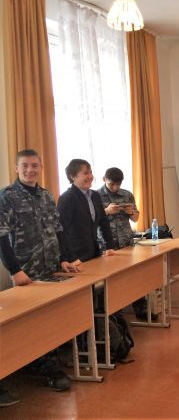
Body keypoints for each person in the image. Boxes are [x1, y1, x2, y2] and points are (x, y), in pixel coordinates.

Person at [0, 149, 81, 396]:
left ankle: (47, 361)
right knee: (35, 323)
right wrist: (15, 271)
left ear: (41, 168)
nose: (30, 170)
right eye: (25, 165)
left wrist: (64, 258)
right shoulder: (7, 196)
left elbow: (57, 229)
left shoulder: (46, 196)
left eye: (34, 165)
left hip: (51, 268)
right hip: (27, 271)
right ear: (17, 168)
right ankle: (49, 369)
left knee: (53, 317)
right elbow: (2, 236)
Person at [98, 167, 154, 321]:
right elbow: (90, 219)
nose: (115, 187)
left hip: (126, 242)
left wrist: (131, 212)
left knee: (135, 276)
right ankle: (116, 316)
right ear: (104, 179)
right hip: (107, 245)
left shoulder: (126, 194)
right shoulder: (96, 196)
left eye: (118, 184)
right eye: (112, 184)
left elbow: (136, 219)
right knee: (112, 282)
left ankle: (142, 310)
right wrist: (106, 211)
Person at [57, 159, 116, 262]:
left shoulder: (95, 195)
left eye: (90, 172)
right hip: (75, 257)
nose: (90, 176)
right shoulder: (67, 198)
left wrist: (110, 246)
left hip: (94, 253)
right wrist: (69, 258)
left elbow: (104, 222)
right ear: (73, 176)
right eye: (85, 173)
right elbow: (62, 231)